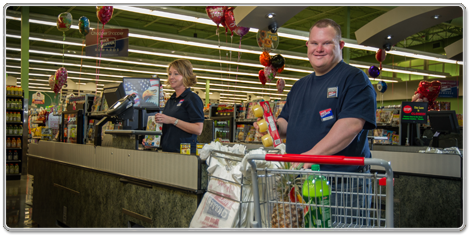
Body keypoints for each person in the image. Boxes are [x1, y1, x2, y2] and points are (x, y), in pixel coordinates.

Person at [254, 18, 377, 226]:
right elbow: (285, 124)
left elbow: (351, 126)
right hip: (301, 185)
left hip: (341, 187)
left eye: (326, 43)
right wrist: (270, 126)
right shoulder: (300, 86)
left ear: (340, 46)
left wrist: (308, 157)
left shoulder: (354, 79)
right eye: (314, 43)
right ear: (307, 46)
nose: (319, 49)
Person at [143, 59, 204, 154]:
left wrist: (172, 120)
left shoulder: (192, 98)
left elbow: (198, 129)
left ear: (186, 76)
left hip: (185, 155)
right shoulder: (171, 100)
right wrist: (152, 142)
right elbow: (168, 131)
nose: (171, 77)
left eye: (176, 74)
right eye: (170, 74)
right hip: (167, 153)